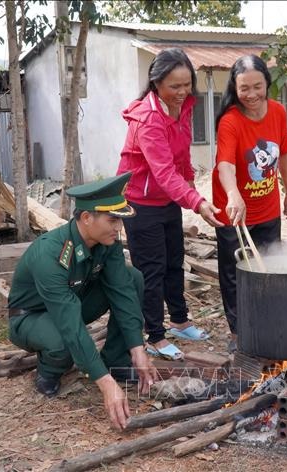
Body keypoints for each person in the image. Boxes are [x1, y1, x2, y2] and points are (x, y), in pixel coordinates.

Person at [7, 173, 158, 431]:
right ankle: (48, 372)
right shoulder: (52, 253)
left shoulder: (105, 241)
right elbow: (70, 323)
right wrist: (105, 384)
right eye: (112, 220)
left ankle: (117, 359)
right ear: (87, 218)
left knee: (132, 279)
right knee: (62, 339)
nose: (118, 227)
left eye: (120, 220)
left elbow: (122, 291)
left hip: (72, 304)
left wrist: (137, 348)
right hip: (30, 317)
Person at [117, 48, 223, 361]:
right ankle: (155, 336)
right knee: (151, 269)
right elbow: (162, 171)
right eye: (174, 86)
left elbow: (180, 155)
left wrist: (189, 180)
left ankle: (179, 320)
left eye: (187, 84)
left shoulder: (184, 106)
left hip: (166, 198)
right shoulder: (149, 118)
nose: (182, 92)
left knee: (174, 261)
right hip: (140, 200)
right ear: (156, 83)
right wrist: (197, 202)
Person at [212, 55, 287, 353]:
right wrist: (234, 195)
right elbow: (225, 165)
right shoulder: (230, 121)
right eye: (243, 88)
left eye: (257, 86)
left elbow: (284, 152)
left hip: (268, 208)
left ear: (267, 83)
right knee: (235, 275)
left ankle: (266, 324)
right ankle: (238, 333)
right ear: (235, 89)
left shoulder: (277, 112)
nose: (251, 94)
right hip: (233, 213)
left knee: (269, 268)